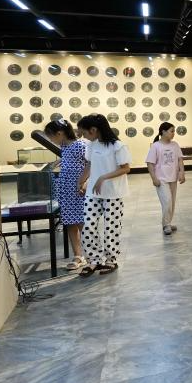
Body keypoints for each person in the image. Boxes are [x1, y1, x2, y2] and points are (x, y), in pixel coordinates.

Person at [76, 114, 131, 277]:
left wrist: (103, 177)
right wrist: (81, 181)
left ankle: (111, 260)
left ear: (93, 130)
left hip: (113, 193)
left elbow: (126, 168)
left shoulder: (117, 146)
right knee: (88, 225)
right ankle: (94, 260)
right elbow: (90, 164)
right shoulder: (91, 145)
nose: (83, 136)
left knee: (111, 228)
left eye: (84, 132)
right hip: (93, 192)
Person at [43, 119, 88, 270]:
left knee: (82, 222)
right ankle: (78, 255)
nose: (51, 140)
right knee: (70, 222)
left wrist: (85, 182)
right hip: (65, 189)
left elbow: (91, 164)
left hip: (78, 188)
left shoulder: (80, 145)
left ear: (59, 133)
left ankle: (91, 253)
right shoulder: (64, 146)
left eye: (51, 137)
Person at [145, 122, 186, 236]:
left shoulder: (175, 145)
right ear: (163, 131)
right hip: (161, 179)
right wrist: (154, 178)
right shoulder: (155, 146)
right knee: (167, 201)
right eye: (171, 131)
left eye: (174, 131)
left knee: (172, 202)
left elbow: (180, 160)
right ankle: (166, 225)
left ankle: (168, 222)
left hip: (173, 178)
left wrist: (182, 173)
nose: (173, 133)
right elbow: (150, 163)